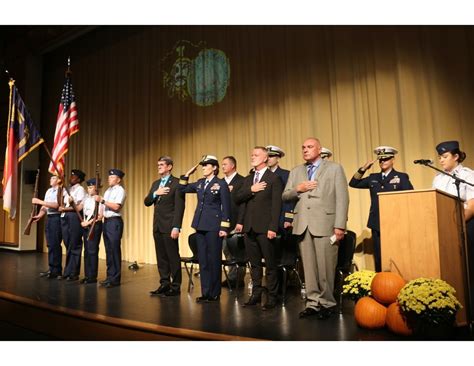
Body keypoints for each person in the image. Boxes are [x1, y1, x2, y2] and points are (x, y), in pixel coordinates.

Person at [282, 137, 349, 319]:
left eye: (310, 147)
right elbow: (285, 195)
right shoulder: (296, 171)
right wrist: (299, 188)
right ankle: (313, 303)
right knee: (309, 268)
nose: (305, 150)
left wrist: (340, 225)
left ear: (319, 150)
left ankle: (327, 303)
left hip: (326, 224)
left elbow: (342, 198)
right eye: (303, 147)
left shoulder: (334, 168)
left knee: (326, 266)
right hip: (303, 224)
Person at [349, 146, 414, 272]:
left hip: (395, 222)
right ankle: (380, 280)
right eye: (380, 160)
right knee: (379, 256)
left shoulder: (401, 177)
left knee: (395, 254)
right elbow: (353, 183)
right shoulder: (373, 177)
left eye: (386, 159)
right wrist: (363, 169)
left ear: (392, 160)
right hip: (377, 222)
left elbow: (409, 198)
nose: (383, 162)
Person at [235, 147, 282, 310]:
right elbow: (238, 199)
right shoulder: (248, 179)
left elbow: (277, 206)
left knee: (270, 264)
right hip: (249, 227)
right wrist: (251, 190)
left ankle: (272, 296)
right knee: (254, 264)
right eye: (251, 154)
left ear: (265, 158)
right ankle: (255, 294)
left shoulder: (273, 178)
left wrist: (273, 227)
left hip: (265, 227)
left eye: (256, 155)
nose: (252, 157)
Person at [179, 155, 231, 303]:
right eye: (202, 165)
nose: (203, 167)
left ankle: (214, 293)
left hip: (214, 226)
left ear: (214, 168)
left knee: (214, 260)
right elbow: (182, 188)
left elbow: (226, 207)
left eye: (206, 165)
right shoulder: (200, 183)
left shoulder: (220, 184)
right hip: (200, 225)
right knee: (203, 261)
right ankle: (205, 292)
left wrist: (224, 227)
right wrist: (187, 174)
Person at [432, 140, 474, 311]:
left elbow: (471, 205)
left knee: (469, 272)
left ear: (456, 156)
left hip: (466, 226)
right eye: (440, 157)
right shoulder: (438, 178)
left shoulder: (468, 175)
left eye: (445, 156)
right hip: (444, 230)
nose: (441, 160)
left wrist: (455, 226)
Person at [144, 156, 185, 297]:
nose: (159, 167)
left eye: (162, 164)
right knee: (161, 256)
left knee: (173, 256)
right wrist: (156, 193)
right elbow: (147, 201)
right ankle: (164, 283)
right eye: (158, 165)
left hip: (169, 226)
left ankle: (176, 286)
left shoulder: (177, 183)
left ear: (169, 166)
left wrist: (176, 227)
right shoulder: (156, 184)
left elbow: (180, 208)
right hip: (157, 226)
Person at [95, 168, 126, 288]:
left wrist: (102, 200)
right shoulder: (108, 190)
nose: (109, 178)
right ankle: (109, 277)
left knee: (114, 249)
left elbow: (116, 207)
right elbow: (104, 208)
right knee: (108, 250)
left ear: (118, 179)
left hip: (114, 222)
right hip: (106, 221)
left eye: (112, 177)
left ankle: (115, 279)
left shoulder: (120, 190)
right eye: (109, 177)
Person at [220, 156, 246, 289]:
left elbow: (243, 204)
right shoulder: (219, 182)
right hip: (221, 222)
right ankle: (231, 277)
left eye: (225, 164)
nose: (222, 166)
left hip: (235, 221)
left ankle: (238, 279)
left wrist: (240, 221)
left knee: (236, 251)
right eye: (222, 164)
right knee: (226, 250)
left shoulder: (241, 181)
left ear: (233, 166)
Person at [33, 174, 63, 279]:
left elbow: (56, 205)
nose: (51, 179)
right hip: (49, 218)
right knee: (50, 244)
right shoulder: (49, 191)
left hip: (56, 218)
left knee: (55, 244)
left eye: (54, 178)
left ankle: (57, 270)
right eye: (50, 177)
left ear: (59, 180)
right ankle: (51, 268)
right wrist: (40, 215)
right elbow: (45, 206)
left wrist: (39, 201)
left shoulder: (60, 190)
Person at [59, 169, 86, 281]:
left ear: (78, 179)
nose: (71, 178)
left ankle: (73, 272)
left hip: (74, 217)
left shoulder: (80, 189)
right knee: (68, 243)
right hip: (65, 216)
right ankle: (67, 271)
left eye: (73, 176)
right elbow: (60, 201)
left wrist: (66, 207)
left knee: (74, 244)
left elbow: (78, 207)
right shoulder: (68, 189)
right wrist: (61, 188)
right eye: (70, 176)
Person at [80, 178, 105, 284]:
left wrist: (88, 222)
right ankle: (87, 275)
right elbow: (81, 209)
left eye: (91, 187)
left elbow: (99, 216)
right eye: (88, 187)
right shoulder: (86, 199)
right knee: (86, 251)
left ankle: (92, 276)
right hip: (86, 225)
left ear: (96, 188)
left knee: (92, 250)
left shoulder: (100, 199)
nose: (88, 189)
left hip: (95, 225)